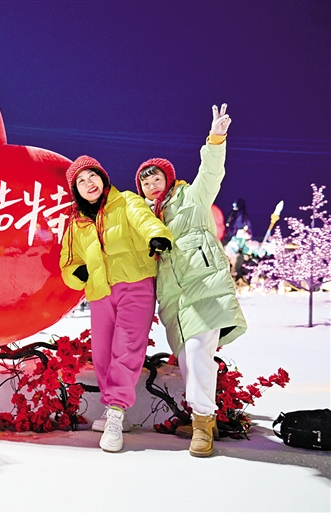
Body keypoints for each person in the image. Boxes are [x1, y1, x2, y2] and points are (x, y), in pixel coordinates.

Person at [136, 104, 247, 457]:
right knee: (188, 360)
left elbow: (211, 172)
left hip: (204, 289)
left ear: (168, 179)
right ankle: (205, 419)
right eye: (145, 182)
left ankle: (201, 425)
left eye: (156, 179)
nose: (151, 185)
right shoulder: (145, 217)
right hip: (174, 299)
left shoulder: (192, 198)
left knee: (198, 353)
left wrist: (215, 139)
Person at [59, 156, 172, 453]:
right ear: (76, 190)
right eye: (81, 181)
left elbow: (146, 221)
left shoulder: (126, 201)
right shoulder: (76, 223)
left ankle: (116, 413)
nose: (89, 183)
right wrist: (76, 273)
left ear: (103, 177)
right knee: (102, 354)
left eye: (92, 176)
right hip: (100, 292)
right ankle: (114, 409)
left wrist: (157, 236)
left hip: (135, 284)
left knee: (127, 347)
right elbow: (68, 261)